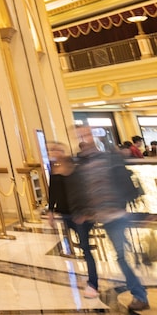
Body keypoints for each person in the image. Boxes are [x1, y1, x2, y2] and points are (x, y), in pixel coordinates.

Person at [71, 126, 148, 311]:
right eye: (80, 135)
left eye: (87, 134)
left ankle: (140, 296)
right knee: (122, 254)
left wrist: (121, 205)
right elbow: (82, 190)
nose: (84, 138)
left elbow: (121, 182)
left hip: (116, 215)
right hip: (99, 215)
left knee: (121, 256)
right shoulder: (80, 164)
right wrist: (83, 210)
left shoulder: (108, 158)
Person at [46, 143, 98, 299]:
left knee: (85, 248)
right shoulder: (55, 169)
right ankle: (90, 280)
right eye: (52, 150)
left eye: (57, 149)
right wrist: (50, 211)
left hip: (80, 214)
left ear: (63, 151)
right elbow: (53, 191)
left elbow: (84, 190)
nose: (55, 152)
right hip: (66, 214)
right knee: (82, 245)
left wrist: (85, 211)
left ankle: (93, 284)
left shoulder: (75, 167)